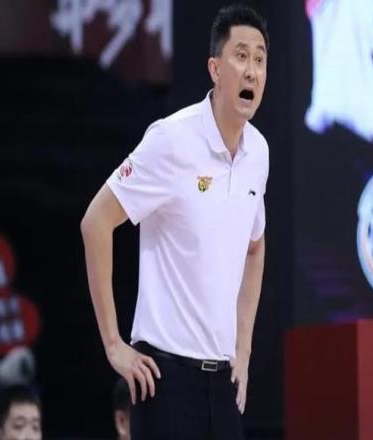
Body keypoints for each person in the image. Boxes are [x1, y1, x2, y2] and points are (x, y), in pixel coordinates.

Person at [80, 4, 269, 439]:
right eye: (241, 56)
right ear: (215, 68)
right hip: (164, 381)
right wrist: (113, 344)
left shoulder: (259, 152)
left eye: (260, 60)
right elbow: (96, 221)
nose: (252, 71)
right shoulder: (171, 139)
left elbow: (255, 246)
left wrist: (243, 350)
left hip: (223, 384)